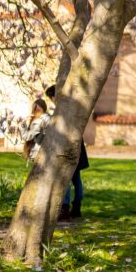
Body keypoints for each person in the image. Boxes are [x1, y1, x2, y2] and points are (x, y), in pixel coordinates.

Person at [44, 85, 89, 221]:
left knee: (67, 179)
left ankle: (65, 208)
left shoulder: (64, 110)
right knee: (76, 180)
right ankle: (76, 207)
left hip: (69, 148)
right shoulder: (73, 107)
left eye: (51, 98)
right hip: (78, 149)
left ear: (54, 96)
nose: (51, 101)